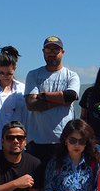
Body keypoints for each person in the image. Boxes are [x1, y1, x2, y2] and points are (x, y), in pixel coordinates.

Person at [23, 36, 81, 168]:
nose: (52, 53)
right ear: (43, 51)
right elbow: (31, 104)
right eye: (49, 49)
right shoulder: (33, 75)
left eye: (56, 50)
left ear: (63, 52)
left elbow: (71, 95)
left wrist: (42, 95)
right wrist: (62, 100)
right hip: (36, 142)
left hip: (63, 142)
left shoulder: (71, 76)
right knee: (37, 186)